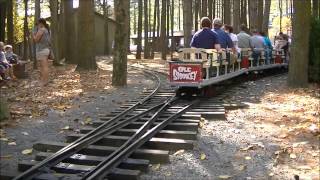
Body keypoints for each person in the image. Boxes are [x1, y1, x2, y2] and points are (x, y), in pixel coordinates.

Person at [32, 18, 51, 86]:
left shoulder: (42, 29)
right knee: (44, 67)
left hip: (42, 50)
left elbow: (36, 40)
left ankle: (44, 82)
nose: (37, 25)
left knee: (44, 67)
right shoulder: (46, 30)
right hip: (45, 49)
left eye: (37, 24)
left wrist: (33, 34)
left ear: (41, 23)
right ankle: (44, 81)